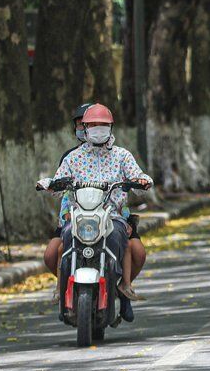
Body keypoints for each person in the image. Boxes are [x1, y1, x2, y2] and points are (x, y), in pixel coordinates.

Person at [39, 103, 153, 321]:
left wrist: (141, 182)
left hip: (113, 217)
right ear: (84, 127)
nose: (98, 128)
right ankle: (64, 288)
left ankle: (121, 286)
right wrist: (49, 184)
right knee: (62, 243)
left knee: (128, 244)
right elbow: (58, 182)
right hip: (80, 216)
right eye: (93, 125)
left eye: (103, 125)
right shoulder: (72, 158)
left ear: (111, 127)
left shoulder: (122, 156)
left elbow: (139, 178)